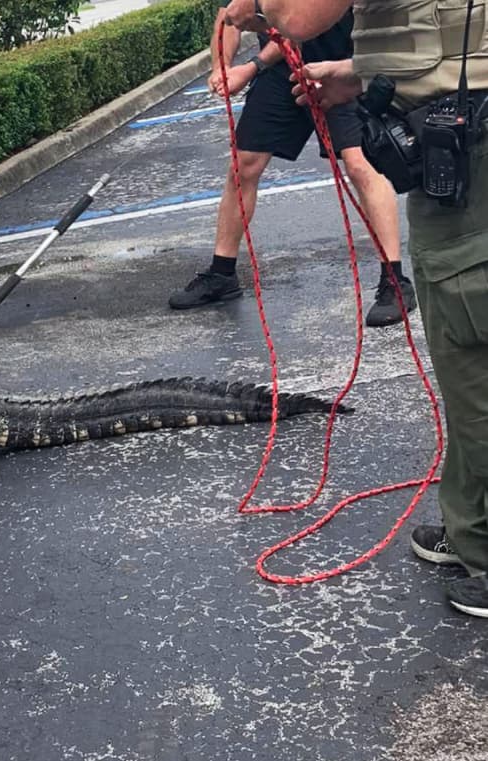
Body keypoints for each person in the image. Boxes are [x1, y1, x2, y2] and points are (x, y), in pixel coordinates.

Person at [226, 0, 488, 619]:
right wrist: (359, 72)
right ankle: (472, 528)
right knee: (462, 356)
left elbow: (297, 14)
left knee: (474, 353)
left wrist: (254, 8)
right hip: (455, 130)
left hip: (472, 137)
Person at [169, 1, 415, 330]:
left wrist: (251, 67)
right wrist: (222, 68)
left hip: (339, 65)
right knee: (244, 166)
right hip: (282, 71)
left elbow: (295, 27)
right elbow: (229, 17)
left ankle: (395, 281)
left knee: (360, 164)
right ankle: (221, 273)